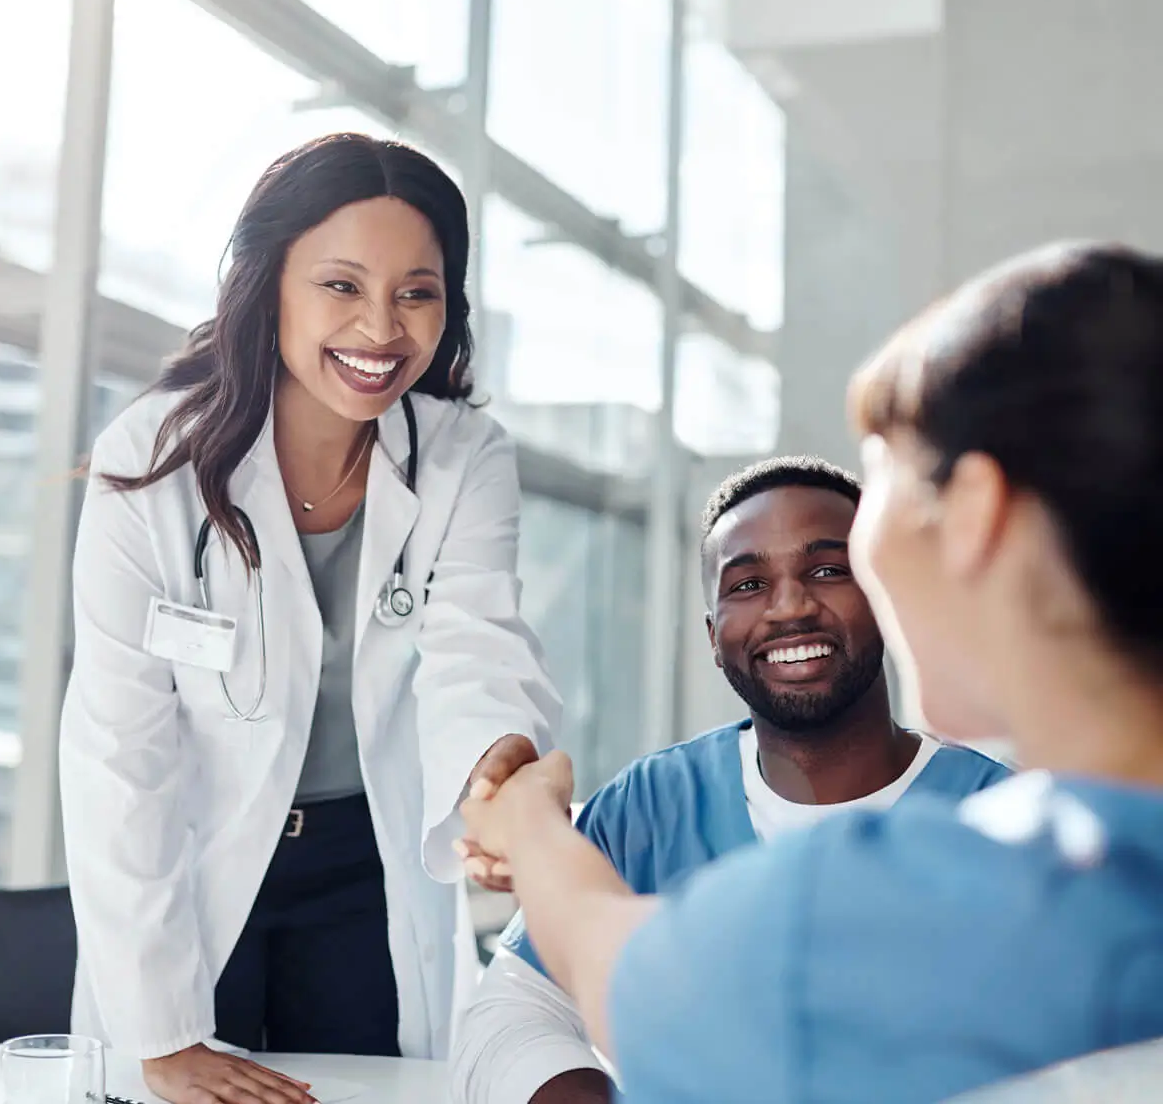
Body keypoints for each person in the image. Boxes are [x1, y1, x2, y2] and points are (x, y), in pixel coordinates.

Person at [461, 240, 1163, 1102]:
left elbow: (628, 976)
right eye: (748, 582)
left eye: (883, 477)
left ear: (976, 514)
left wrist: (530, 826)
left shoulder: (902, 901)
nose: (794, 603)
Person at [60, 133, 561, 1104]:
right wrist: (160, 1038)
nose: (380, 328)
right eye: (340, 285)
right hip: (191, 859)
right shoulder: (153, 460)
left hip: (362, 868)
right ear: (268, 285)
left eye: (416, 292)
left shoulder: (461, 457)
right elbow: (118, 747)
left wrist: (495, 773)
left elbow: (477, 648)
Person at [449, 457, 1011, 1104]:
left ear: (886, 599)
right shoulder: (648, 806)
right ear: (715, 636)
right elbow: (510, 1013)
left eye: (829, 571)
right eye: (748, 584)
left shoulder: (1000, 820)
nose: (789, 608)